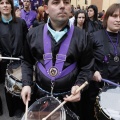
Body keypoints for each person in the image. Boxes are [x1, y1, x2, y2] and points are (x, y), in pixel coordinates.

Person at [21, 0, 94, 119]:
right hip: (40, 97)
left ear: (70, 8)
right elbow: (27, 61)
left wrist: (80, 84)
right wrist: (27, 84)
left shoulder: (83, 37)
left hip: (69, 99)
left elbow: (87, 67)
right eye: (55, 2)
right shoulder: (33, 34)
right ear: (46, 8)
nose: (62, 6)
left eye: (66, 2)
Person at [85, 3, 120, 120]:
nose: (118, 20)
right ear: (106, 17)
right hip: (97, 91)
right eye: (114, 16)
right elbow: (84, 61)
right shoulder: (94, 37)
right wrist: (93, 72)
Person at [0, 0, 28, 117]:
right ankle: (12, 112)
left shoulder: (21, 23)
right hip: (4, 62)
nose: (5, 5)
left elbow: (26, 42)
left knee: (22, 87)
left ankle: (22, 110)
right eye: (1, 3)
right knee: (8, 90)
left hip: (20, 61)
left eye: (7, 2)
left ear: (12, 6)